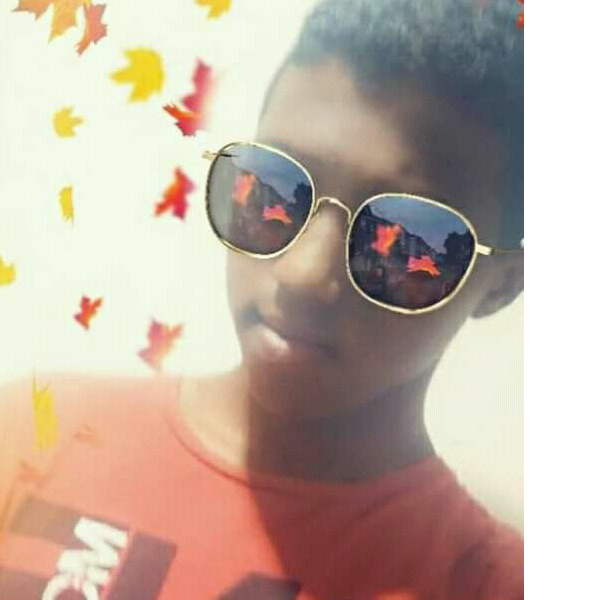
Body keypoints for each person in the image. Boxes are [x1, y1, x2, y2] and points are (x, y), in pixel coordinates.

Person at [0, 0, 524, 598]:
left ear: (500, 283)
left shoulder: (484, 583)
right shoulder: (36, 431)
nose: (302, 274)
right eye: (275, 189)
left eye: (405, 240)